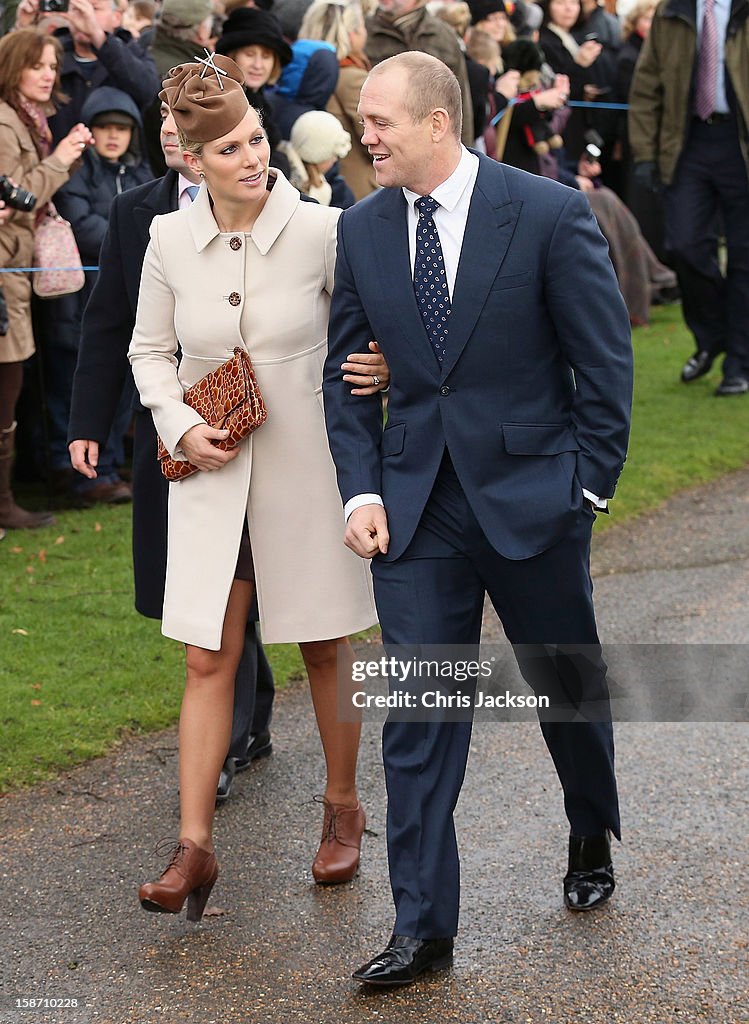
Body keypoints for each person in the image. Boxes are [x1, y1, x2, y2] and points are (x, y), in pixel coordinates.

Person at [322, 51, 633, 986]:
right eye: (360, 122)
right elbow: (344, 380)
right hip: (416, 513)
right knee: (418, 713)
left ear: (437, 123)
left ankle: (588, 825)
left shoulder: (544, 212)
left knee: (563, 691)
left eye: (378, 122)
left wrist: (586, 490)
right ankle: (422, 927)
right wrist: (363, 490)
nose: (362, 136)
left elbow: (604, 366)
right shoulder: (364, 230)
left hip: (536, 502)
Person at [127, 55, 384, 917]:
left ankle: (342, 811)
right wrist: (177, 424)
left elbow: (367, 325)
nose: (251, 157)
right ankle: (193, 848)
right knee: (207, 655)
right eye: (229, 147)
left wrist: (376, 364)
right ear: (192, 159)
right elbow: (148, 353)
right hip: (210, 471)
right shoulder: (166, 239)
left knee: (321, 643)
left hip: (307, 466)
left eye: (256, 139)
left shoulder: (322, 229)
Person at [67, 98, 277, 805]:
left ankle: (229, 740)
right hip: (172, 422)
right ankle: (249, 717)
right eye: (166, 134)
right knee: (193, 586)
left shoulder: (273, 199)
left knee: (237, 580)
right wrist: (87, 422)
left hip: (258, 420)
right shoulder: (136, 215)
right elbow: (111, 326)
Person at [628, 0, 749, 395]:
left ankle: (739, 362)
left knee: (745, 259)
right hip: (688, 144)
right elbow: (646, 86)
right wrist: (645, 153)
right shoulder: (671, 11)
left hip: (740, 145)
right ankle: (714, 335)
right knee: (683, 245)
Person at [0, 28, 94, 531]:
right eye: (37, 65)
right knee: (7, 385)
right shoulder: (5, 122)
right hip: (5, 270)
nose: (48, 74)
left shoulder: (26, 120)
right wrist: (59, 160)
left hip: (16, 268)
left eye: (52, 66)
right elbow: (16, 196)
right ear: (13, 67)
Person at [44, 86, 153, 506]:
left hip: (131, 301)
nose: (113, 136)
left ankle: (106, 468)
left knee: (124, 384)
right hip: (78, 300)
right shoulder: (76, 172)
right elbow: (80, 224)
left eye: (121, 129)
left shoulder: (141, 172)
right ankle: (72, 472)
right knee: (75, 385)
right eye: (105, 128)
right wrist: (133, 242)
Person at [14, 0, 160, 144]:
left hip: (114, 165)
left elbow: (148, 91)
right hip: (55, 162)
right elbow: (10, 80)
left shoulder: (132, 53)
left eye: (95, 9)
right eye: (78, 9)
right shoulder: (52, 53)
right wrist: (22, 27)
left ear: (116, 18)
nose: (85, 15)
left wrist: (98, 37)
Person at [365, 0, 475, 146]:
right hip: (376, 152)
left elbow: (460, 104)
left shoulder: (443, 36)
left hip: (434, 151)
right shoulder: (362, 32)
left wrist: (461, 149)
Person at [298, 0, 377, 201]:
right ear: (351, 34)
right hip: (356, 189)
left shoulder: (302, 73)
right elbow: (376, 138)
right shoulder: (353, 79)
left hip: (314, 180)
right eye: (361, 28)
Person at [214, 6, 294, 176]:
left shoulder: (260, 98)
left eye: (266, 56)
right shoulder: (221, 100)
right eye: (250, 54)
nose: (258, 65)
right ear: (232, 56)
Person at [287, 108, 355, 207]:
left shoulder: (338, 188)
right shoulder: (337, 194)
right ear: (316, 156)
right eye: (332, 155)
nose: (335, 160)